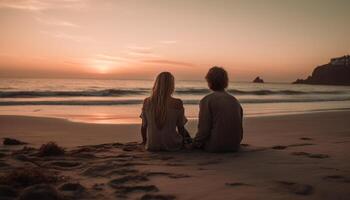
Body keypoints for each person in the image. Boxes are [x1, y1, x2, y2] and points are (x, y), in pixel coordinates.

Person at [194, 66, 243, 152]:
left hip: (215, 146)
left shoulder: (207, 100)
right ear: (225, 82)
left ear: (209, 82)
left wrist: (194, 143)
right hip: (235, 145)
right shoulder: (235, 101)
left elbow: (204, 130)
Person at [140, 72, 192, 151]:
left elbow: (144, 126)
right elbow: (180, 127)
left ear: (156, 84)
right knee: (188, 137)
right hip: (172, 145)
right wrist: (186, 140)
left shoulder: (147, 102)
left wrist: (145, 141)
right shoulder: (177, 102)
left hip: (152, 146)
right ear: (171, 86)